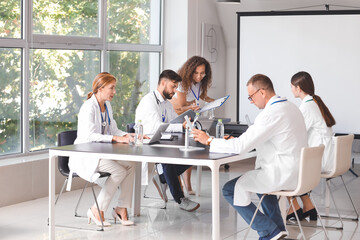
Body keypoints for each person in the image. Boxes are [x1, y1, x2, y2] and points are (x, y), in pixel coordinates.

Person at [192, 74, 307, 239]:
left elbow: (240, 147)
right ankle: (278, 230)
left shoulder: (270, 113)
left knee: (229, 189)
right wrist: (238, 140)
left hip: (282, 173)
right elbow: (270, 138)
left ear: (262, 92)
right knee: (261, 187)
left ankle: (269, 230)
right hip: (297, 171)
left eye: (251, 97)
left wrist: (209, 140)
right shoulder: (290, 107)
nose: (251, 101)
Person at [68, 72, 135, 227]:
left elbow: (113, 130)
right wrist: (115, 139)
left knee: (131, 163)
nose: (114, 92)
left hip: (102, 153)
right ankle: (97, 209)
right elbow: (90, 135)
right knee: (120, 171)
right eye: (111, 88)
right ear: (100, 88)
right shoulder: (88, 107)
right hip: (86, 155)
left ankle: (121, 208)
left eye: (114, 88)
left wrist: (129, 135)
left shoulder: (107, 105)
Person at [135, 69, 200, 212]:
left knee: (192, 156)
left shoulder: (166, 103)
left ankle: (163, 177)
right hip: (148, 142)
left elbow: (172, 122)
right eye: (173, 86)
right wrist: (178, 126)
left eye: (176, 87)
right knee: (168, 159)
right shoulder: (149, 101)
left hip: (163, 141)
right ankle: (180, 198)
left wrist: (184, 124)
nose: (175, 91)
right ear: (163, 83)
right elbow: (155, 127)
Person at [287, 71, 336, 221]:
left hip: (320, 160)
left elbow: (296, 133)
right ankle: (308, 206)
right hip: (324, 156)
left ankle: (293, 207)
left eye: (292, 86)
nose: (291, 89)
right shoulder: (313, 103)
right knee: (292, 164)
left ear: (298, 88)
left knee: (285, 167)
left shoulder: (307, 107)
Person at [172, 56, 215, 195]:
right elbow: (180, 107)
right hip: (178, 118)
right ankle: (179, 186)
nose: (199, 76)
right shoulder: (182, 84)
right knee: (179, 153)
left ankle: (188, 185)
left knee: (189, 150)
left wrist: (213, 101)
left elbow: (201, 96)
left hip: (190, 117)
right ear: (190, 71)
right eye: (196, 73)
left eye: (202, 73)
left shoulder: (200, 82)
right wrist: (192, 105)